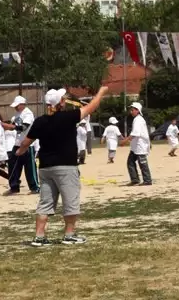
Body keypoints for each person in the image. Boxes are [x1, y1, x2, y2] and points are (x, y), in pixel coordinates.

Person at [16, 86, 110, 246]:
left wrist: (19, 152)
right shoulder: (69, 117)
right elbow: (91, 107)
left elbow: (26, 142)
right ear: (60, 103)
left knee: (45, 203)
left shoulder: (40, 121)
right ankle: (69, 234)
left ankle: (39, 236)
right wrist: (101, 92)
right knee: (70, 201)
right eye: (63, 98)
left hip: (45, 168)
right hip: (66, 166)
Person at [4, 95, 39, 195]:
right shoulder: (16, 115)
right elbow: (13, 127)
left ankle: (34, 187)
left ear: (22, 104)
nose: (15, 107)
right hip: (17, 143)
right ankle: (14, 187)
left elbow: (24, 127)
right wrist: (5, 126)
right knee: (13, 166)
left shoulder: (28, 114)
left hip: (28, 144)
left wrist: (11, 126)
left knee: (29, 167)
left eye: (17, 105)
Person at [123, 102, 153, 186]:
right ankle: (135, 179)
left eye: (132, 110)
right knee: (130, 162)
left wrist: (125, 140)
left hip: (140, 145)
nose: (131, 111)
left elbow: (135, 133)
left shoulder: (138, 120)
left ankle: (147, 180)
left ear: (137, 110)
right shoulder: (137, 119)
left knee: (142, 163)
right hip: (135, 146)